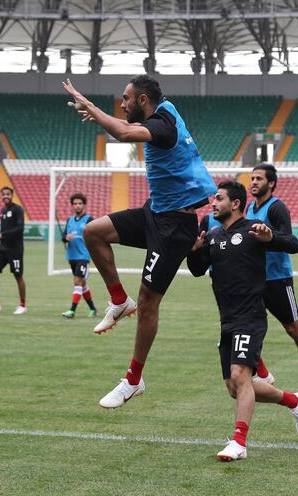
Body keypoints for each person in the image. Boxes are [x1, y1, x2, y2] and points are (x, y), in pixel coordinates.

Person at [63, 75, 215, 408]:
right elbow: (123, 124)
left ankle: (133, 380)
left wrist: (91, 106)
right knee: (93, 232)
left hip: (176, 225)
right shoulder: (158, 116)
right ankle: (119, 300)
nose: (122, 103)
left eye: (126, 98)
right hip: (156, 213)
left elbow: (123, 132)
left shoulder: (163, 126)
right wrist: (103, 116)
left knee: (149, 301)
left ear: (143, 99)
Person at [187, 181, 298, 462]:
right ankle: (294, 400)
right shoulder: (214, 235)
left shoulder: (254, 229)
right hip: (226, 320)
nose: (213, 204)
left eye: (219, 199)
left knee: (242, 376)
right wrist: (194, 251)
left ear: (236, 203)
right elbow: (196, 270)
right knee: (234, 387)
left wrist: (270, 239)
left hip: (251, 316)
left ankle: (239, 442)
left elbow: (293, 244)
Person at [247, 164, 298, 398]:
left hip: (278, 279)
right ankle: (263, 374)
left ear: (271, 183)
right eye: (252, 178)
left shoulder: (277, 208)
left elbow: (292, 243)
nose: (254, 182)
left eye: (259, 178)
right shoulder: (249, 208)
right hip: (253, 280)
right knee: (243, 326)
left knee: (292, 328)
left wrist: (270, 237)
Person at [0, 187, 27, 315]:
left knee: (18, 276)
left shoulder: (17, 209)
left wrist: (2, 234)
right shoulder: (3, 211)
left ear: (12, 195)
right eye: (3, 194)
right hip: (3, 248)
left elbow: (20, 228)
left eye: (8, 194)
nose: (5, 196)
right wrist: (3, 237)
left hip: (15, 249)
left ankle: (23, 305)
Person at [61, 193, 98, 318]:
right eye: (75, 204)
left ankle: (72, 310)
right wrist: (66, 237)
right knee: (82, 284)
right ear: (72, 206)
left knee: (77, 281)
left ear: (84, 205)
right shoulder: (69, 220)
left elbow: (96, 237)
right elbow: (63, 237)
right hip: (71, 256)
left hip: (83, 256)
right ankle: (93, 309)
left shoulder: (89, 220)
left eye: (80, 203)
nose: (77, 206)